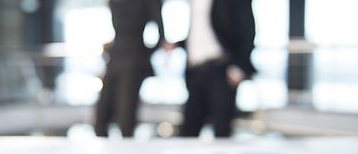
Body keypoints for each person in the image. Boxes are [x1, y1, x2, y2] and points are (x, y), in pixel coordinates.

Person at [179, 0, 257, 137]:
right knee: (188, 131)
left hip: (221, 70)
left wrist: (238, 68)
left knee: (222, 131)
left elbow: (247, 29)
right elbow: (197, 32)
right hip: (194, 71)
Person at [95, 0, 167, 137]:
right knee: (101, 118)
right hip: (115, 58)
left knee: (126, 119)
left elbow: (161, 36)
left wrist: (144, 54)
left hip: (134, 60)